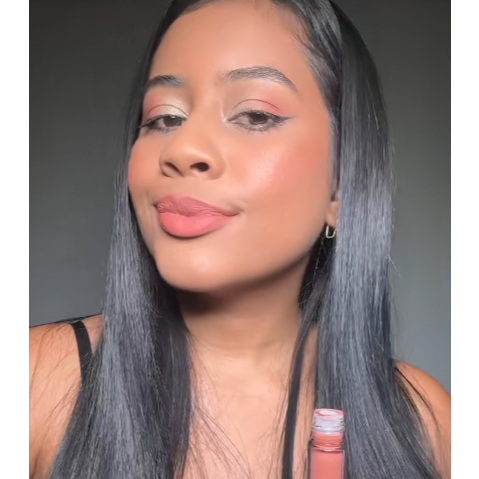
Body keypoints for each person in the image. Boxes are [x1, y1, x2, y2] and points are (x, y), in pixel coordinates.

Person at [29, 0, 451, 478]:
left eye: (253, 115)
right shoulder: (33, 381)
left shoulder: (427, 422)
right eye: (164, 118)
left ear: (340, 186)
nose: (183, 148)